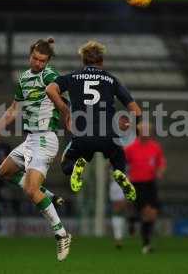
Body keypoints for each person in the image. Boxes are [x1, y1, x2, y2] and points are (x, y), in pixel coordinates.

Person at [0, 38, 71, 261]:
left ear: (48, 61)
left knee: (31, 191)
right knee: (3, 172)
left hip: (46, 139)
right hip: (31, 139)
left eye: (42, 60)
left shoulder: (49, 75)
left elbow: (59, 95)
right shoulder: (23, 78)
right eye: (35, 58)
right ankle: (49, 195)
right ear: (30, 55)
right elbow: (14, 109)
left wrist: (65, 112)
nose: (38, 63)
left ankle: (61, 234)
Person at [45, 40, 141, 201]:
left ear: (83, 61)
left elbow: (50, 89)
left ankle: (75, 166)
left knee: (66, 163)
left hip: (82, 136)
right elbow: (136, 110)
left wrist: (65, 110)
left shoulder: (73, 77)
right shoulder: (111, 79)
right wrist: (134, 127)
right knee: (118, 157)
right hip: (108, 136)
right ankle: (119, 172)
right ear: (102, 61)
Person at [121, 122, 166, 253]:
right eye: (143, 130)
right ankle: (146, 245)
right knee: (147, 212)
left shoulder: (155, 147)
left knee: (153, 214)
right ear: (138, 132)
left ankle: (133, 219)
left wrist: (160, 171)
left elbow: (161, 162)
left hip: (150, 183)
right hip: (137, 184)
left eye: (148, 130)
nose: (146, 132)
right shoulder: (130, 148)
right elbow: (121, 162)